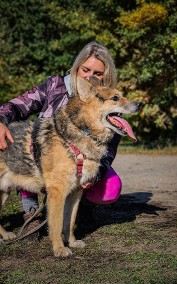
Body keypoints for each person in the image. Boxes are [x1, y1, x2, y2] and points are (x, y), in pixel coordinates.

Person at [0, 41, 122, 238]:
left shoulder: (109, 101)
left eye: (98, 73)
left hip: (84, 162)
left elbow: (110, 148)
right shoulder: (55, 85)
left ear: (106, 76)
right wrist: (1, 121)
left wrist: (96, 175)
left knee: (111, 187)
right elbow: (17, 106)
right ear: (76, 67)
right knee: (30, 148)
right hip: (43, 156)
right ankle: (31, 211)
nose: (89, 76)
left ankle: (82, 209)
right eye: (85, 69)